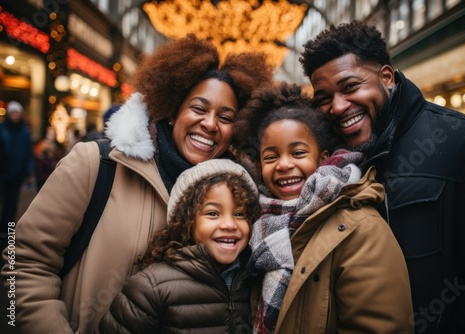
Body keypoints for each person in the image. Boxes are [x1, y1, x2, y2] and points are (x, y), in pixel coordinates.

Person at [1, 34, 274, 334]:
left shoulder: (238, 198)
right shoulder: (97, 164)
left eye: (225, 116)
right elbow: (21, 258)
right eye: (198, 108)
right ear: (172, 110)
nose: (210, 123)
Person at [299, 21, 465, 333]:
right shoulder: (330, 163)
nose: (337, 107)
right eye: (324, 97)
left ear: (386, 77)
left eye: (350, 87)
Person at [233, 82, 413, 333]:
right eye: (271, 157)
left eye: (297, 153)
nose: (283, 165)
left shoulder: (361, 228)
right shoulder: (256, 227)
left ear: (323, 158)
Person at [99, 159, 260, 333]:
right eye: (213, 213)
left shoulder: (255, 278)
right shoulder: (151, 287)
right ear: (186, 222)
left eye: (239, 214)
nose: (229, 224)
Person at [0, 101, 34, 236]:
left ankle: (7, 231)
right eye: (12, 113)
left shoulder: (25, 132)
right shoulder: (2, 129)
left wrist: (29, 172)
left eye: (17, 113)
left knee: (12, 204)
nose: (15, 116)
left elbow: (28, 153)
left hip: (17, 174)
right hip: (2, 172)